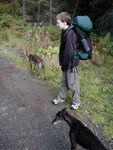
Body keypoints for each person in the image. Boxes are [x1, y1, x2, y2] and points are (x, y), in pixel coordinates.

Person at [52, 12, 80, 110]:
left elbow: (69, 52)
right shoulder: (65, 31)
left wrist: (65, 64)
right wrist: (62, 62)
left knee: (73, 83)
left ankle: (76, 102)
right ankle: (61, 97)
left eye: (58, 22)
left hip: (71, 64)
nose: (57, 24)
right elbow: (63, 49)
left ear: (64, 22)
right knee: (64, 82)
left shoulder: (71, 34)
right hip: (65, 63)